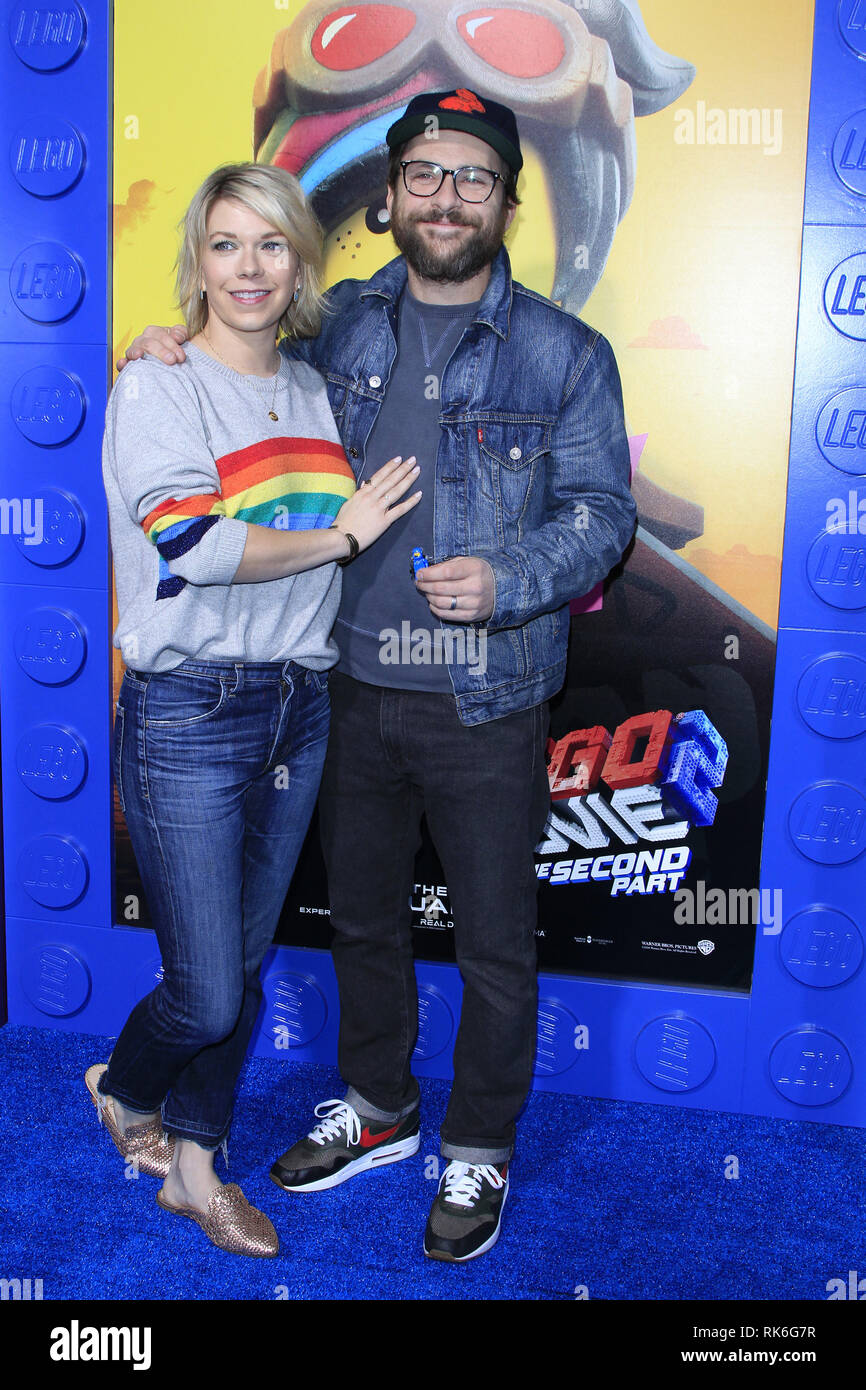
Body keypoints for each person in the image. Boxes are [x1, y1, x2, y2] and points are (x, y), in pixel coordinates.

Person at [119, 91, 637, 1263]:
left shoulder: (565, 352)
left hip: (485, 697)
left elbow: (604, 515)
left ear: (505, 198)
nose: (444, 198)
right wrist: (156, 339)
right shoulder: (340, 327)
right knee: (362, 926)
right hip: (337, 692)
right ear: (391, 196)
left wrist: (510, 576)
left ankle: (480, 1144)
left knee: (497, 941)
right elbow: (235, 359)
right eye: (423, 175)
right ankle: (380, 1107)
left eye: (470, 178)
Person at [93, 161, 420, 1258]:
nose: (248, 267)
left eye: (271, 245)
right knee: (205, 991)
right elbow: (196, 544)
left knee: (238, 967)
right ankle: (122, 1082)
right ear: (196, 259)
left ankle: (195, 1165)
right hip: (190, 709)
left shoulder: (316, 389)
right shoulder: (159, 383)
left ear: (301, 264)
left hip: (297, 704)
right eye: (226, 244)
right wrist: (341, 536)